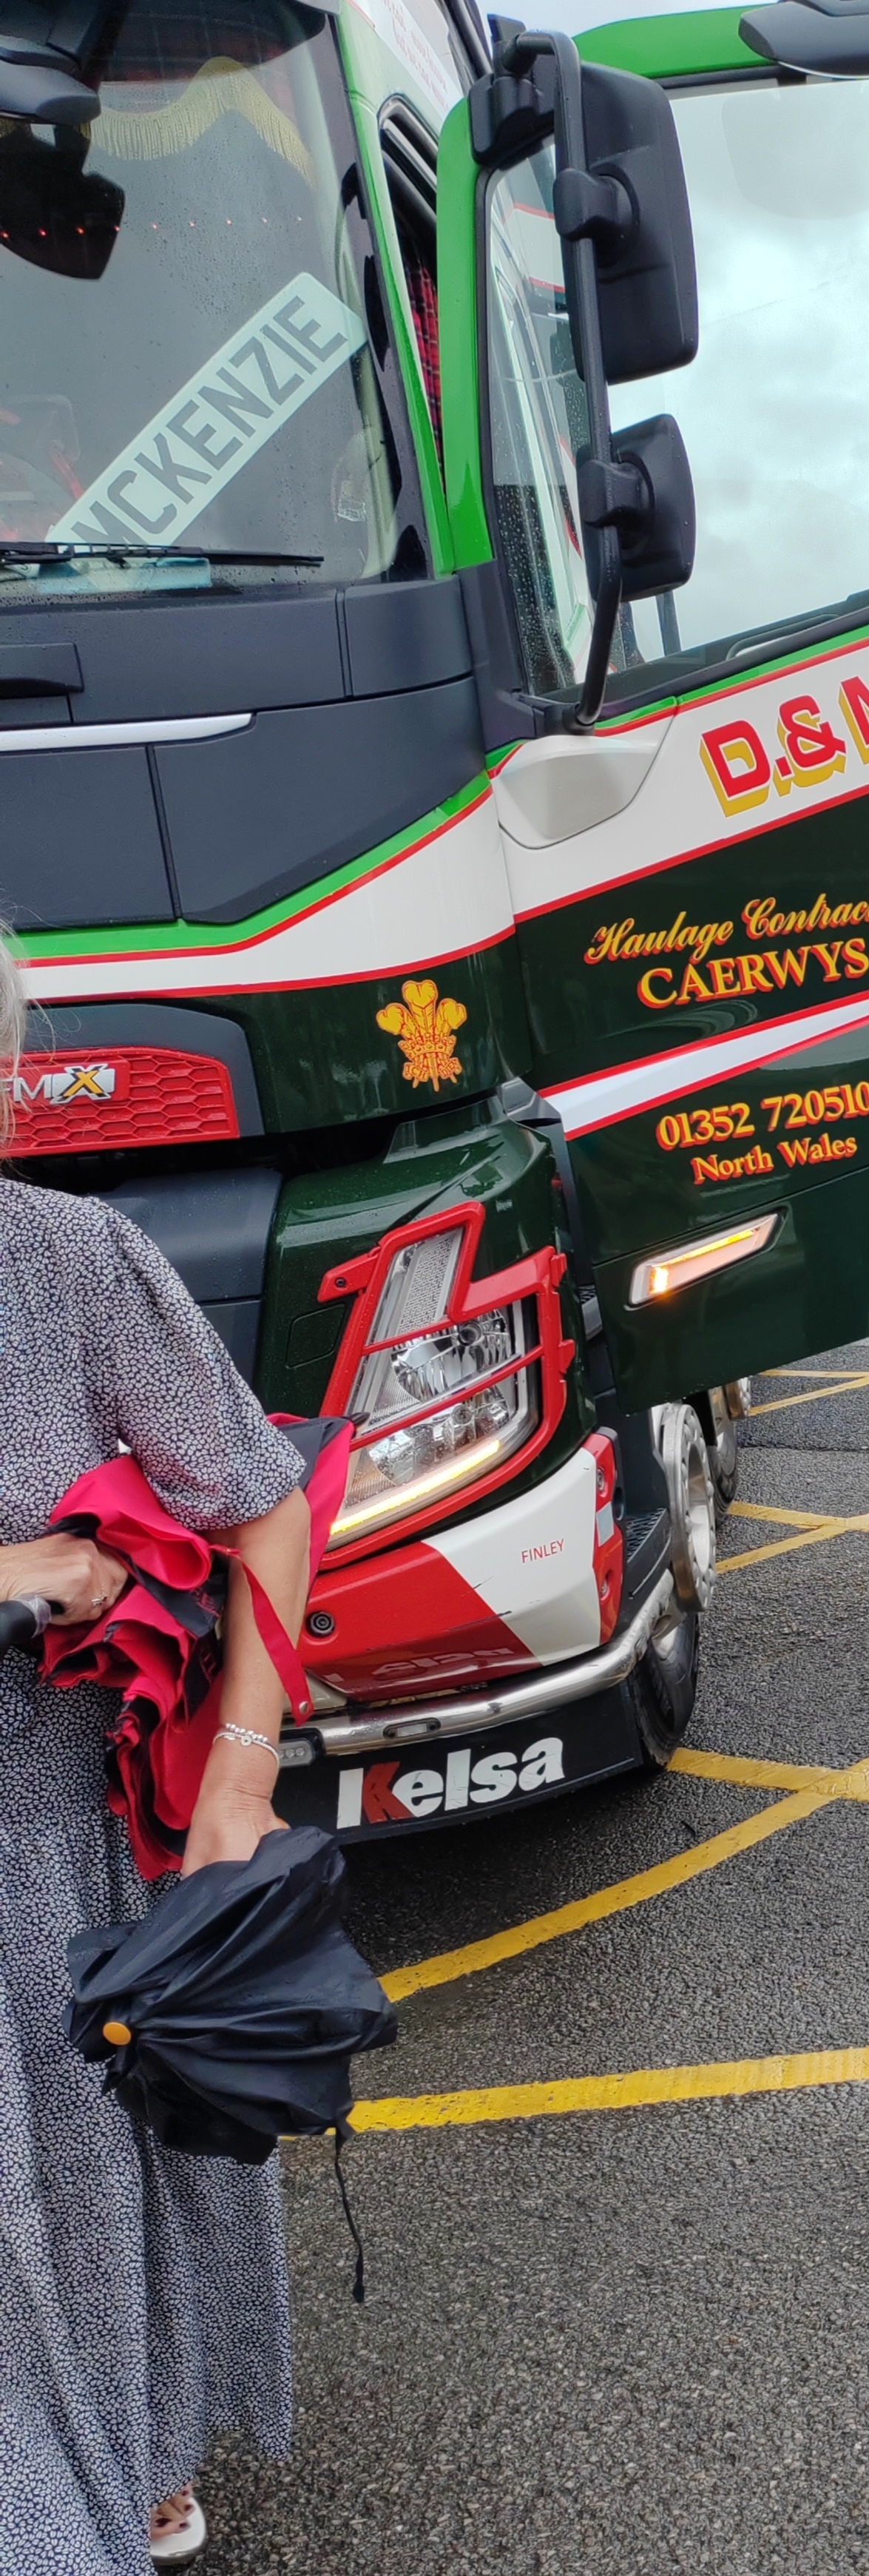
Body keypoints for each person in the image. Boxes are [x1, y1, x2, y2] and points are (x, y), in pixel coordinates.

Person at [0, 934, 314, 2569]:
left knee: (95, 2217)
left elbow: (261, 1504)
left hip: (57, 1846)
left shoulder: (67, 1260)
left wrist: (243, 1774)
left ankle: (121, 2445)